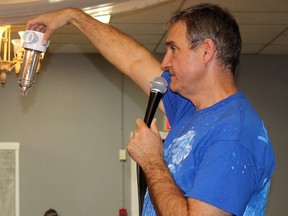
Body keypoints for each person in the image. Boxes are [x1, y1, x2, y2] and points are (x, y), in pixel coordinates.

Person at [26, 3, 275, 216]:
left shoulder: (235, 134)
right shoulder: (189, 108)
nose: (165, 62)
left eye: (173, 49)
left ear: (206, 51)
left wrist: (152, 160)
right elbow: (133, 60)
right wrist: (73, 16)